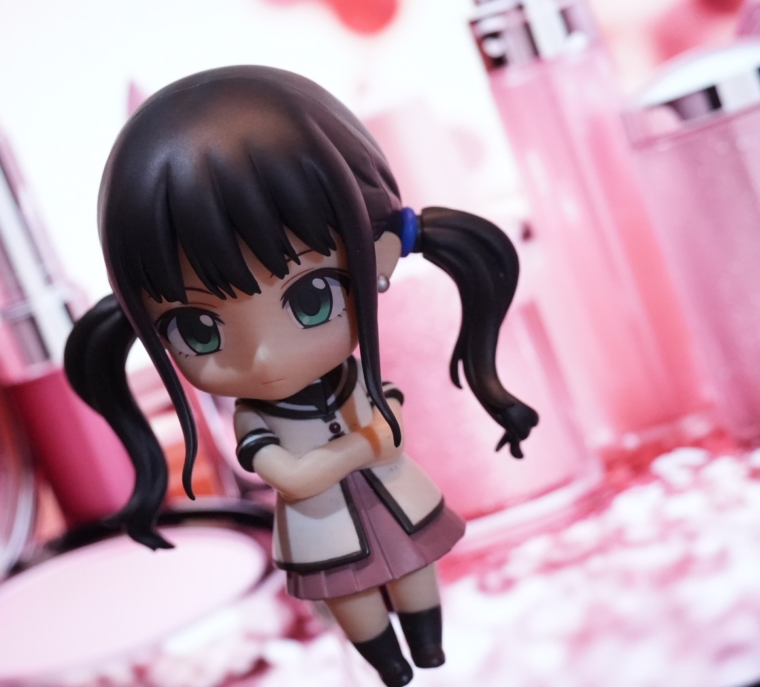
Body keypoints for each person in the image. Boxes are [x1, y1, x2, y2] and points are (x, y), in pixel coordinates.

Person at [65, 65, 538, 687]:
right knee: (351, 593)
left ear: (381, 258)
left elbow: (386, 437)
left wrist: (348, 453)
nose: (262, 358)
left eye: (313, 298)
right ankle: (390, 665)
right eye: (199, 330)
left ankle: (428, 647)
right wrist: (361, 446)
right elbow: (296, 474)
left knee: (415, 565)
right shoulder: (255, 417)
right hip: (323, 530)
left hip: (395, 502)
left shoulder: (353, 379)